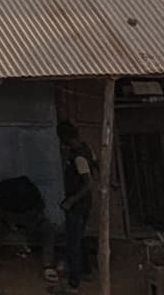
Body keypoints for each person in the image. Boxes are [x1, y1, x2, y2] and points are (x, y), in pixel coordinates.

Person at [47, 120, 96, 291]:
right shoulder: (87, 148)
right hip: (84, 203)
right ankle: (86, 271)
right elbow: (95, 166)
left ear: (66, 138)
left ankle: (73, 284)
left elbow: (88, 183)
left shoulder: (79, 156)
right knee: (80, 238)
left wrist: (71, 201)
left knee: (73, 243)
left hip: (78, 205)